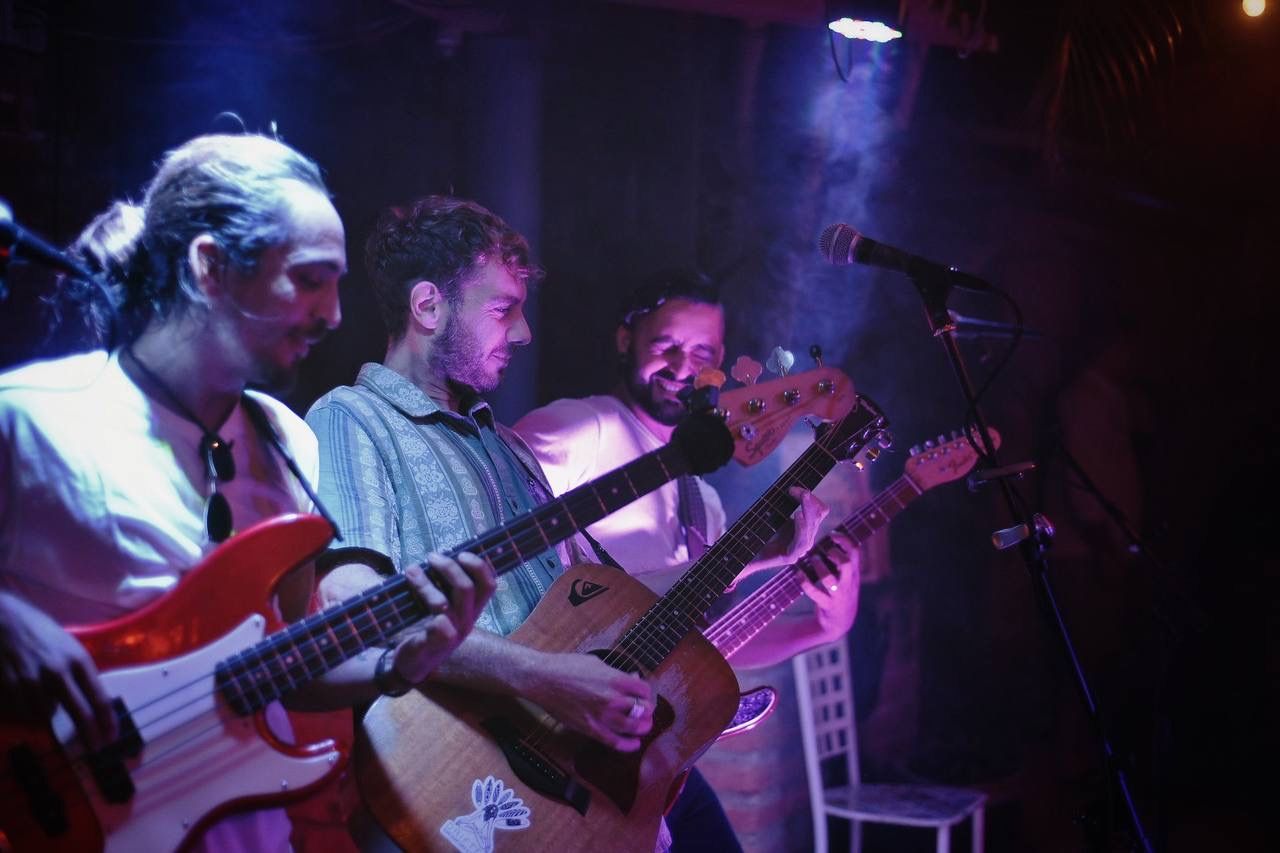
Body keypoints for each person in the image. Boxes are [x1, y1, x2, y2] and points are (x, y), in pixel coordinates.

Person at [0, 134, 494, 852]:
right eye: (309, 279)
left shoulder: (290, 442)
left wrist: (399, 663)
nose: (333, 313)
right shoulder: (29, 415)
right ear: (210, 267)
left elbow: (286, 663)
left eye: (337, 283)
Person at [512, 271, 862, 849]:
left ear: (720, 366)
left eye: (702, 352)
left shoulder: (704, 502)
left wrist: (825, 627)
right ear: (625, 339)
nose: (682, 365)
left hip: (639, 759)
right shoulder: (583, 427)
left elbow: (704, 648)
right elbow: (494, 523)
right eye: (666, 344)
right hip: (552, 731)